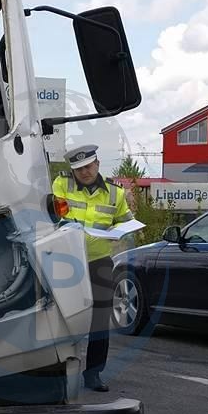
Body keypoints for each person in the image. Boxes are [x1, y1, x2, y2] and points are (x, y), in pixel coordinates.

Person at [51, 143, 134, 391]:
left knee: (99, 318)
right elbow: (53, 215)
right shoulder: (61, 184)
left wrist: (123, 230)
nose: (84, 172)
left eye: (88, 166)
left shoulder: (114, 193)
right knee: (60, 316)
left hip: (99, 260)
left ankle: (93, 373)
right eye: (78, 169)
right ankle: (57, 370)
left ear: (97, 164)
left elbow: (127, 221)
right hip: (66, 259)